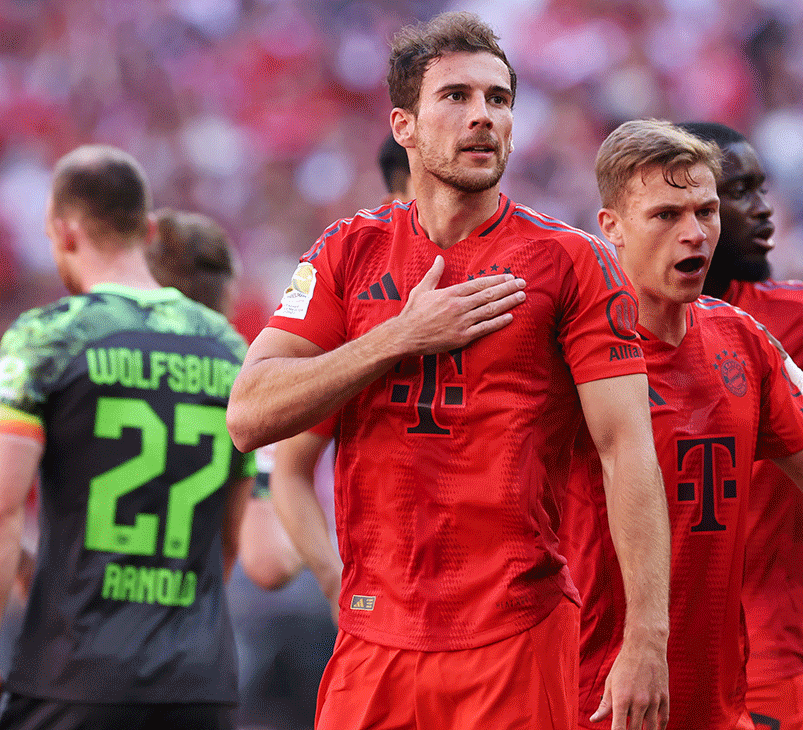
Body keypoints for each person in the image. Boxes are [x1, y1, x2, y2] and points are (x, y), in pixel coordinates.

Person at [225, 12, 672, 730]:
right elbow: (248, 415)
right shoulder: (347, 252)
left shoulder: (573, 263)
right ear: (404, 126)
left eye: (498, 100)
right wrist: (396, 337)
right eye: (457, 97)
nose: (483, 118)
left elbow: (629, 454)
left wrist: (648, 638)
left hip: (516, 633)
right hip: (376, 638)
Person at [565, 119, 803, 730]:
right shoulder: (570, 347)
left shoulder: (740, 338)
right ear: (612, 228)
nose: (694, 234)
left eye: (706, 212)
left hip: (721, 697)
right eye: (666, 215)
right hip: (598, 692)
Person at [0, 145, 255, 730]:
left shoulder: (46, 338)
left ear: (63, 233)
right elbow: (229, 542)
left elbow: (4, 505)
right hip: (199, 681)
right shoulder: (231, 348)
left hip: (74, 677)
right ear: (146, 230)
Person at [676, 121, 803, 730]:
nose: (764, 209)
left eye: (762, 189)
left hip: (765, 662)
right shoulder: (607, 329)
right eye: (740, 192)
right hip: (633, 659)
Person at [267, 135, 415, 622]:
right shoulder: (355, 287)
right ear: (401, 191)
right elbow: (287, 466)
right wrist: (335, 582)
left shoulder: (518, 276)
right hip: (388, 603)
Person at [147, 208, 305, 593]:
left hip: (78, 628)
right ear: (226, 290)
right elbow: (270, 562)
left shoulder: (89, 361)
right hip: (186, 629)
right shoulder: (237, 377)